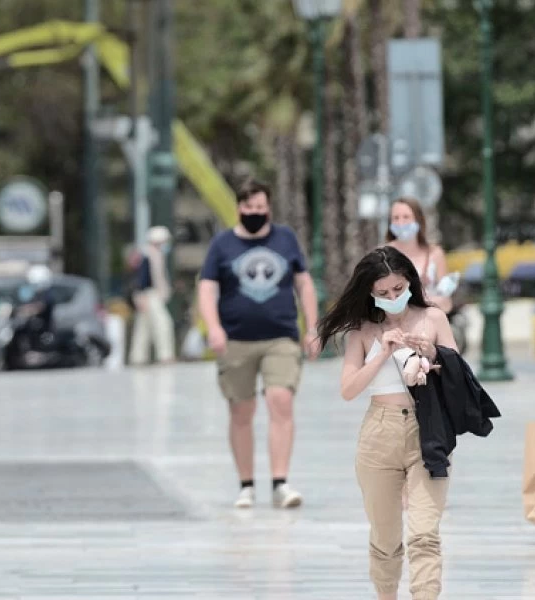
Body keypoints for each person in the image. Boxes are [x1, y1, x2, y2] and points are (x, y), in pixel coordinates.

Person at [317, 246, 460, 600]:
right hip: (379, 434)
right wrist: (382, 353)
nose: (393, 298)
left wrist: (433, 354)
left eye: (398, 289)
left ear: (410, 281)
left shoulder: (433, 318)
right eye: (383, 293)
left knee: (424, 534)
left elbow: (459, 377)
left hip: (429, 430)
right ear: (370, 293)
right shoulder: (363, 331)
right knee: (385, 538)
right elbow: (348, 389)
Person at [197, 180, 320, 509]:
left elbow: (304, 283)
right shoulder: (222, 244)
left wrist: (312, 327)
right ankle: (246, 484)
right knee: (241, 410)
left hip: (281, 336)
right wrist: (214, 328)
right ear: (239, 208)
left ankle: (280, 482)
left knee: (281, 400)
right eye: (249, 207)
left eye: (261, 207)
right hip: (236, 339)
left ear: (269, 208)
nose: (255, 212)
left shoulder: (285, 239)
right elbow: (207, 288)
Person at [384, 197, 453, 312]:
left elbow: (447, 303)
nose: (401, 223)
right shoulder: (383, 254)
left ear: (418, 220)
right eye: (396, 218)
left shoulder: (435, 253)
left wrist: (426, 302)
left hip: (428, 320)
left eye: (406, 217)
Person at [130, 226, 176, 365]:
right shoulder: (147, 255)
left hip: (150, 295)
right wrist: (141, 296)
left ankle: (138, 357)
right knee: (163, 324)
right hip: (149, 295)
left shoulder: (156, 255)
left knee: (143, 328)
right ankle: (165, 355)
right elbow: (142, 279)